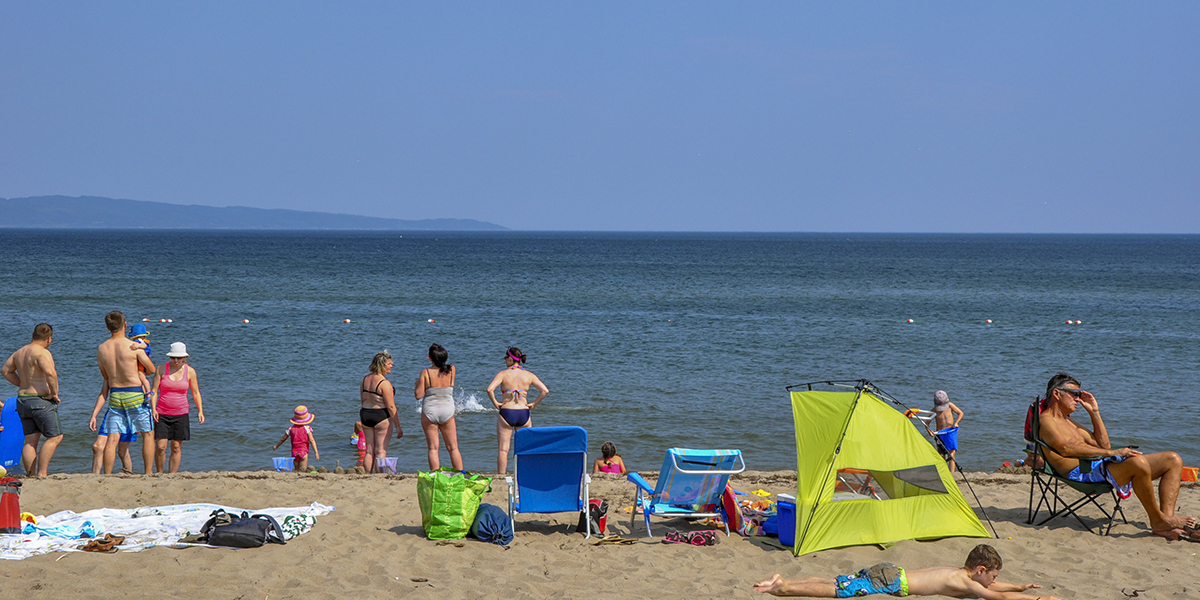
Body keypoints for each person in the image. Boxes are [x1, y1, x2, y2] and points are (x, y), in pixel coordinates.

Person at [1038, 371, 1198, 540]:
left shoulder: (1068, 421)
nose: (1078, 399)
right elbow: (1066, 449)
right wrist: (1113, 453)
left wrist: (1094, 412)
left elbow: (1103, 444)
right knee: (1138, 463)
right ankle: (1158, 521)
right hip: (1081, 473)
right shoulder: (1046, 421)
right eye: (1074, 394)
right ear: (1057, 393)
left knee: (1173, 460)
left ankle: (1166, 521)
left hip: (1097, 466)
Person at [754, 544, 1059, 599]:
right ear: (980, 570)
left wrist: (1019, 587)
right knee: (838, 591)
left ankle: (785, 580)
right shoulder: (966, 583)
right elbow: (992, 596)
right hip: (891, 582)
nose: (994, 581)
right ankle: (782, 589)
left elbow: (994, 588)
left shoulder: (960, 573)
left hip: (891, 571)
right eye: (993, 576)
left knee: (839, 581)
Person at [92, 310, 156, 474]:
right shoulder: (133, 347)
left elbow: (105, 376)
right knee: (147, 434)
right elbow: (151, 369)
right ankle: (148, 473)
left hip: (115, 394)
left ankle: (106, 475)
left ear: (107, 327)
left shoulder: (101, 349)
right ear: (125, 325)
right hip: (134, 392)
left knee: (112, 438)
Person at [1, 323, 63, 477]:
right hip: (40, 400)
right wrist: (54, 393)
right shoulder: (42, 352)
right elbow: (50, 373)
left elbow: (5, 370)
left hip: (22, 400)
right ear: (49, 339)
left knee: (30, 440)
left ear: (33, 336)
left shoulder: (19, 352)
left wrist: (22, 383)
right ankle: (42, 474)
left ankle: (30, 474)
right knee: (55, 437)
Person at [486, 347, 549, 474]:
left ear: (510, 359)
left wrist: (496, 404)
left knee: (503, 449)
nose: (505, 361)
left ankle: (502, 477)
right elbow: (544, 391)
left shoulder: (503, 374)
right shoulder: (529, 375)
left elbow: (489, 390)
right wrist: (533, 404)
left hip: (507, 413)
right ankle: (525, 474)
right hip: (523, 413)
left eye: (505, 358)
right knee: (524, 448)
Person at [150, 342, 205, 473]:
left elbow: (196, 393)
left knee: (176, 447)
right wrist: (153, 409)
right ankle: (159, 473)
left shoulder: (190, 371)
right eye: (173, 357)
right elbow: (154, 391)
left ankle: (172, 475)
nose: (176, 360)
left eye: (179, 358)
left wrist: (200, 411)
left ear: (184, 357)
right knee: (161, 446)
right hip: (162, 413)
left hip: (181, 414)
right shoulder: (161, 369)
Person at [414, 343, 463, 471]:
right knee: (453, 448)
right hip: (447, 409)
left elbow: (418, 395)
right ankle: (460, 476)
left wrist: (418, 383)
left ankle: (435, 476)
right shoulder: (452, 369)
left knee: (433, 448)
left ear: (430, 358)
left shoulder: (426, 373)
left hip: (430, 410)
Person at [360, 350, 402, 473]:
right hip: (381, 416)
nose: (391, 366)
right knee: (381, 450)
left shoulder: (365, 379)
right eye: (389, 364)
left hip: (365, 413)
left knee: (369, 450)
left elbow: (362, 399)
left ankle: (367, 474)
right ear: (382, 365)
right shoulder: (385, 383)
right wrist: (398, 426)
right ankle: (380, 476)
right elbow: (391, 407)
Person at [274, 405, 319, 472]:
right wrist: (316, 452)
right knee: (303, 470)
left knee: (296, 470)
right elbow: (312, 440)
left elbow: (283, 438)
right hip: (303, 452)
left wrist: (276, 446)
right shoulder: (307, 428)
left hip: (294, 452)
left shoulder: (290, 429)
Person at [933, 390, 964, 472]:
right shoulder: (934, 410)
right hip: (940, 434)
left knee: (952, 454)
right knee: (941, 455)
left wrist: (956, 423)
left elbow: (960, 413)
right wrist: (929, 431)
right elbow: (927, 422)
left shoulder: (950, 405)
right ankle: (943, 472)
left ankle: (952, 473)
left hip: (950, 433)